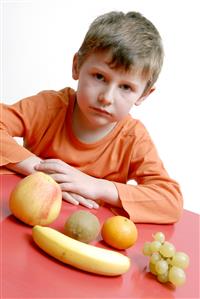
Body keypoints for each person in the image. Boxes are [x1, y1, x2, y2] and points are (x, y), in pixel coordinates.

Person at [0, 11, 183, 223]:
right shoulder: (49, 108)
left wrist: (96, 186)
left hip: (86, 239)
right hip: (23, 220)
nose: (106, 97)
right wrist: (38, 168)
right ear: (77, 66)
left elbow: (171, 201)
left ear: (143, 94)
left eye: (125, 87)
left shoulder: (133, 139)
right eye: (99, 77)